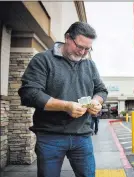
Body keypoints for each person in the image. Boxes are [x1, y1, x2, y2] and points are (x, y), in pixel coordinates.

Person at [18, 22, 108, 177]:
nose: (83, 52)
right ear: (68, 38)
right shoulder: (42, 60)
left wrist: (97, 101)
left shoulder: (90, 65)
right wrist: (65, 106)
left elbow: (101, 90)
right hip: (50, 137)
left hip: (83, 136)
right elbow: (29, 93)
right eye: (80, 46)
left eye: (88, 49)